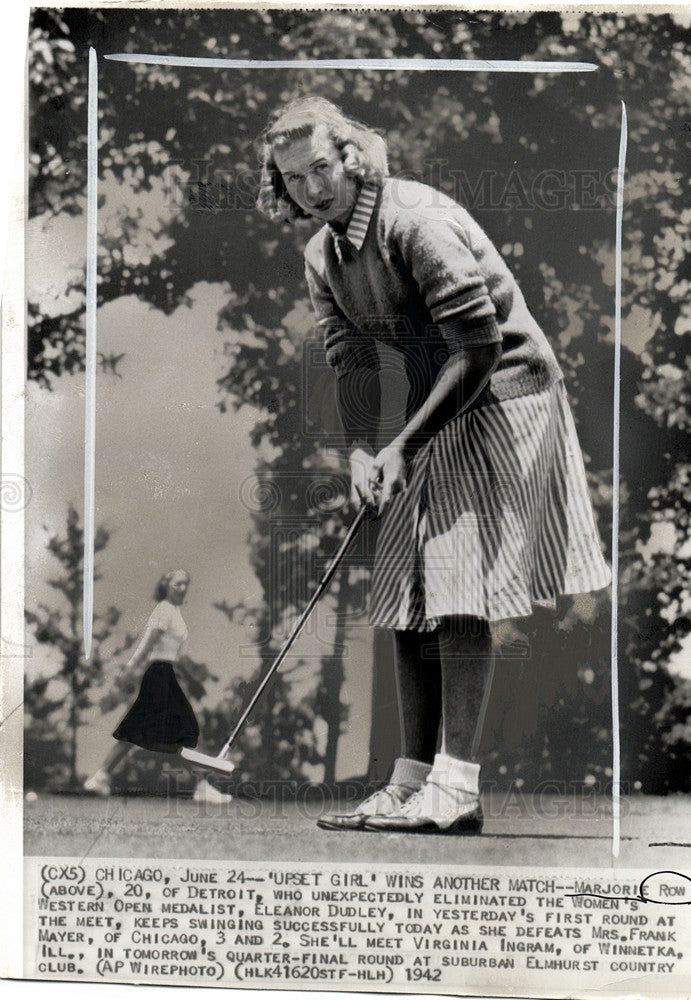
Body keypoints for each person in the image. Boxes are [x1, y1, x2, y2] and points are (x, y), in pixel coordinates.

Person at [258, 97, 610, 834]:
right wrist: (363, 448)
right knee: (403, 586)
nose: (313, 188)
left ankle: (457, 788)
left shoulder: (414, 220)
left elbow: (480, 349)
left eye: (321, 167)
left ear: (350, 158)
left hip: (505, 393)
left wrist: (403, 444)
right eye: (294, 179)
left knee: (454, 582)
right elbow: (350, 357)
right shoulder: (321, 256)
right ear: (281, 186)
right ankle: (411, 780)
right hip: (438, 407)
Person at [84, 570, 232, 804]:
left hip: (166, 673)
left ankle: (101, 776)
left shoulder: (174, 612)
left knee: (140, 729)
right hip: (158, 674)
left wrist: (187, 676)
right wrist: (130, 668)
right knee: (184, 730)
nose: (182, 588)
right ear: (166, 585)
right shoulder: (163, 610)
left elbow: (172, 652)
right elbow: (148, 643)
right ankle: (202, 786)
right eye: (177, 584)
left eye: (185, 584)